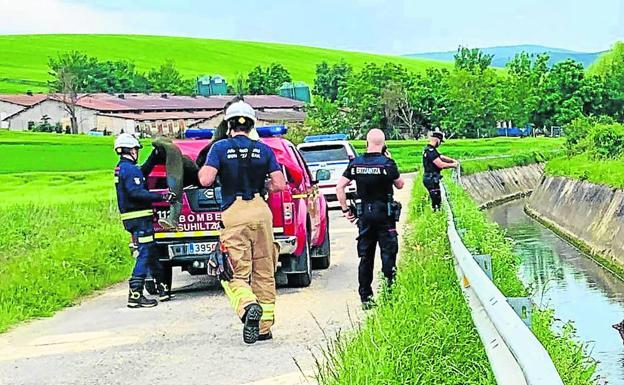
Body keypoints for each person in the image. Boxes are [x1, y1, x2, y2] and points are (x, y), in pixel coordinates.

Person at [198, 100, 286, 344]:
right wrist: (264, 185)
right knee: (265, 270)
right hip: (260, 210)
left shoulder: (219, 148)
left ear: (229, 124)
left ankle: (247, 307)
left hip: (234, 213)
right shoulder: (264, 150)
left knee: (233, 271)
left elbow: (205, 180)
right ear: (252, 125)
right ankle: (264, 328)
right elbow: (279, 184)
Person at [336, 129, 405, 310]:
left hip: (364, 217)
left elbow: (340, 187)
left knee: (366, 257)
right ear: (383, 143)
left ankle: (366, 297)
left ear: (367, 142)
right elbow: (400, 184)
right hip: (385, 217)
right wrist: (389, 159)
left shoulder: (356, 163)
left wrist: (345, 210)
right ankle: (390, 295)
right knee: (388, 254)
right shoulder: (387, 164)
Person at [113, 133, 175, 308]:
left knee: (152, 252)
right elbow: (136, 192)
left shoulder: (124, 168)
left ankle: (162, 288)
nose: (137, 152)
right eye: (136, 149)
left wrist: (154, 157)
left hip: (135, 219)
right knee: (145, 253)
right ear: (130, 150)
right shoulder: (129, 170)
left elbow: (142, 173)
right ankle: (135, 293)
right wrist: (161, 196)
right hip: (139, 219)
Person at [422, 132, 459, 211]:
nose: (440, 144)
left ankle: (436, 215)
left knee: (437, 199)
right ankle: (435, 217)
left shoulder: (429, 149)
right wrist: (453, 165)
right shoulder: (431, 151)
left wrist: (452, 160)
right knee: (436, 201)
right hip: (431, 179)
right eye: (440, 142)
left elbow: (440, 156)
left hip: (431, 178)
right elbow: (440, 164)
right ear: (437, 140)